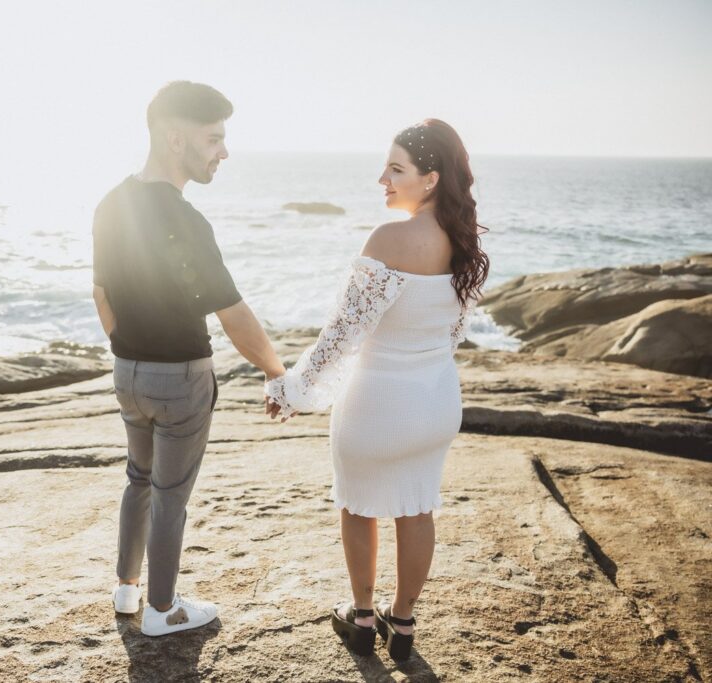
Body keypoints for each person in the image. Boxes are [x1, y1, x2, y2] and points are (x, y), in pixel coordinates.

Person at [265, 119, 489, 661]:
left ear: (430, 178)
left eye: (395, 169)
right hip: (435, 401)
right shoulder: (464, 244)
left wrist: (293, 390)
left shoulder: (389, 239)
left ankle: (363, 619)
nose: (381, 179)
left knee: (359, 507)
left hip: (376, 402)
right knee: (417, 508)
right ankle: (404, 624)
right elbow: (452, 333)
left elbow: (341, 335)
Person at [92, 81, 286, 637]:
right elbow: (233, 314)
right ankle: (162, 610)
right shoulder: (187, 220)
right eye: (213, 139)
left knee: (139, 480)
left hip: (127, 374)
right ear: (176, 139)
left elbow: (101, 293)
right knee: (170, 497)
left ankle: (127, 592)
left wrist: (130, 355)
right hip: (180, 380)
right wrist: (277, 374)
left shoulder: (111, 202)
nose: (223, 152)